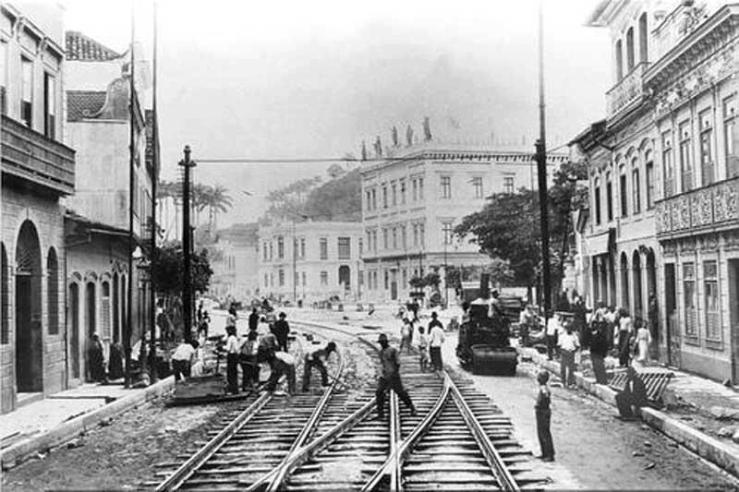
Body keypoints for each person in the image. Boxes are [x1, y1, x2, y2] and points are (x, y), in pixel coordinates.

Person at [375, 333, 417, 419]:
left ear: (386, 342)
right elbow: (382, 364)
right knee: (379, 392)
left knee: (401, 393)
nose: (382, 344)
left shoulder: (393, 350)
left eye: (383, 342)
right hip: (384, 376)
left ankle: (412, 407)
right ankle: (380, 414)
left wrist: (394, 373)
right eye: (381, 342)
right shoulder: (381, 352)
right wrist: (381, 374)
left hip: (393, 376)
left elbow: (398, 363)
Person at [535, 371, 555, 462]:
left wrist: (541, 405)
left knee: (544, 433)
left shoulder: (544, 389)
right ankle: (544, 453)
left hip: (543, 412)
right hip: (542, 411)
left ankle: (549, 454)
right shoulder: (543, 388)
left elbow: (546, 397)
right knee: (541, 433)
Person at [587, 311, 610, 384]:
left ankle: (603, 380)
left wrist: (604, 353)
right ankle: (598, 379)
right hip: (594, 352)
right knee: (596, 367)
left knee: (600, 367)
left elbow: (604, 344)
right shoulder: (592, 334)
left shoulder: (601, 335)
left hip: (598, 353)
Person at [557, 321, 580, 388]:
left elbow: (578, 345)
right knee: (563, 368)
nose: (569, 330)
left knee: (571, 369)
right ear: (566, 329)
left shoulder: (574, 336)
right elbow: (559, 345)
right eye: (568, 328)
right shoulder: (562, 335)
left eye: (570, 328)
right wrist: (561, 352)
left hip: (571, 353)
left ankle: (570, 382)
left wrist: (573, 351)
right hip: (564, 352)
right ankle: (563, 381)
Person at [225, 325, 240, 393]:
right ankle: (235, 388)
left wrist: (222, 348)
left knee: (230, 373)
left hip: (231, 356)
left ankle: (232, 388)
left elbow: (228, 348)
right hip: (235, 356)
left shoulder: (230, 338)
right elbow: (237, 349)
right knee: (234, 373)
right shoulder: (234, 338)